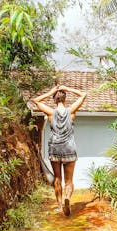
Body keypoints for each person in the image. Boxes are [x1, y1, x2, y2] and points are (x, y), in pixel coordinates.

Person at [32, 85, 87, 216]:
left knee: (57, 178)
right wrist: (67, 88)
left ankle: (60, 204)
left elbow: (36, 101)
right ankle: (68, 197)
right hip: (69, 148)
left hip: (55, 149)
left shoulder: (51, 112)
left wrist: (50, 91)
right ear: (65, 99)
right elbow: (83, 95)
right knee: (69, 181)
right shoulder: (71, 111)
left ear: (54, 100)